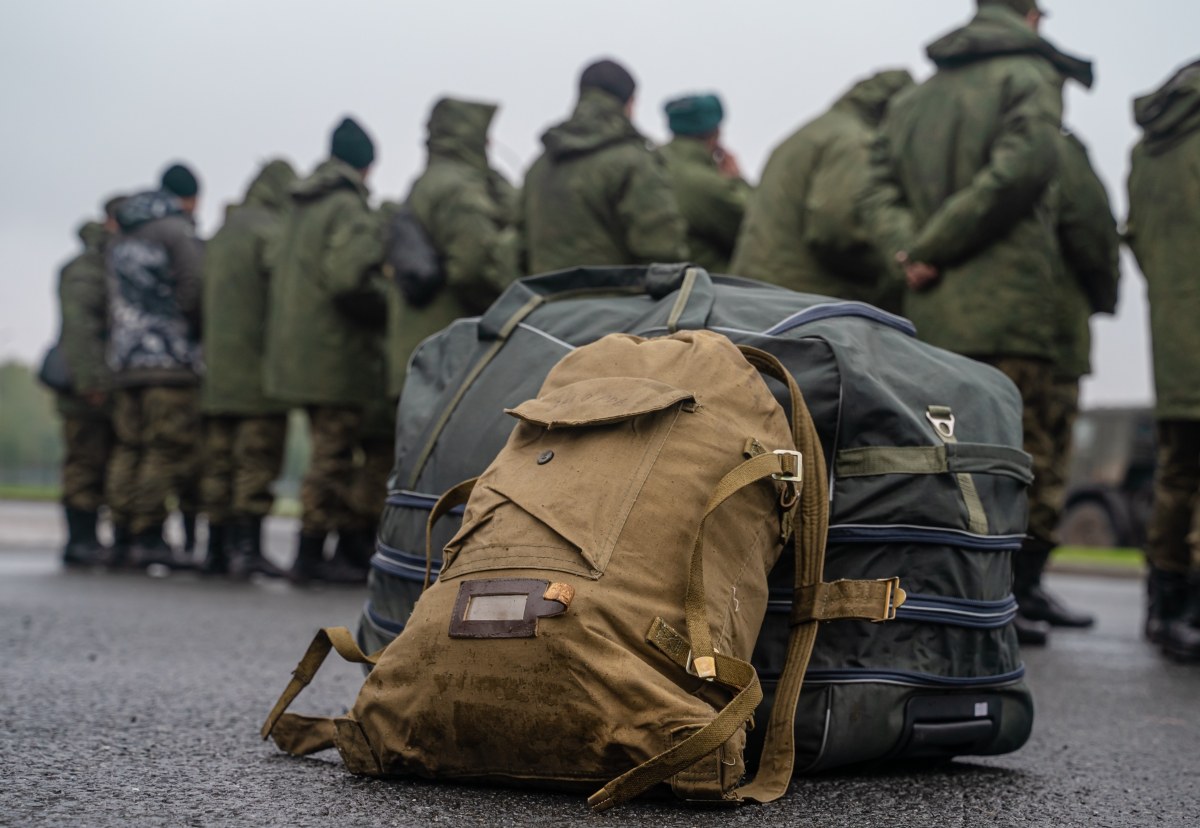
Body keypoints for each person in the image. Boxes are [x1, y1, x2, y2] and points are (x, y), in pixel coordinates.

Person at [860, 0, 1094, 644]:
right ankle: (1003, 608)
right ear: (1027, 16)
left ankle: (935, 603)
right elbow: (1023, 169)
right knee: (1019, 462)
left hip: (931, 316)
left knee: (939, 460)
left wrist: (909, 250)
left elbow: (874, 185)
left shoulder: (916, 99)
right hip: (1010, 312)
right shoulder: (1030, 76)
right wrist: (935, 242)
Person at [263, 117, 387, 584]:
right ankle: (311, 555)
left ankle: (325, 550)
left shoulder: (299, 206)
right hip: (336, 350)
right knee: (333, 455)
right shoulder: (347, 207)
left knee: (325, 449)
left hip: (298, 349)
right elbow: (348, 279)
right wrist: (386, 303)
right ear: (367, 166)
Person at [1029, 126, 1121, 632]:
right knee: (1045, 463)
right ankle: (1023, 591)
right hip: (1049, 332)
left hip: (975, 331)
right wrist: (1104, 294)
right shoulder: (1055, 146)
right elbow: (1093, 232)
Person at [1127, 58, 1200, 662]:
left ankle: (1164, 610)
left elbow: (1141, 239)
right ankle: (1191, 610)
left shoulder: (1149, 148)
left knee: (1178, 472)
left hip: (1175, 328)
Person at [731, 70, 913, 311]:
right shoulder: (855, 141)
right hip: (801, 300)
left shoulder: (808, 133)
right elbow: (835, 228)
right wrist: (897, 265)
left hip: (753, 292)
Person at [199, 159, 298, 579]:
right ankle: (247, 551)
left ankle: (216, 551)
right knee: (255, 460)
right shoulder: (270, 231)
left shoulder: (222, 233)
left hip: (217, 371)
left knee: (219, 461)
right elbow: (285, 294)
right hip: (257, 369)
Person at [105, 163, 205, 570]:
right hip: (168, 361)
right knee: (162, 448)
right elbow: (193, 289)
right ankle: (149, 535)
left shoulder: (123, 232)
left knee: (128, 447)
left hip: (126, 358)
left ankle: (123, 534)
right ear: (187, 197)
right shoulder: (175, 231)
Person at [386, 96, 519, 398]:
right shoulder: (459, 190)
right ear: (472, 139)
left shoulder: (427, 181)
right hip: (451, 362)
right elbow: (474, 268)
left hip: (424, 356)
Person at [520, 57, 687, 274]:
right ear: (629, 104)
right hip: (617, 304)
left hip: (545, 303)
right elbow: (663, 252)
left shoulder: (540, 165)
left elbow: (516, 247)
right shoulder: (633, 162)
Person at [54, 196, 123, 567]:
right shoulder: (87, 268)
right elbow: (80, 331)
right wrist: (92, 381)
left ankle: (92, 540)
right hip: (87, 387)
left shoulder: (109, 262)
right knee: (84, 462)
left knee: (104, 461)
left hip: (105, 382)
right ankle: (80, 541)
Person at [658, 93, 750, 274]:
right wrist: (737, 181)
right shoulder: (705, 184)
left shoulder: (652, 163)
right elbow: (756, 227)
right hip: (706, 290)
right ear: (715, 133)